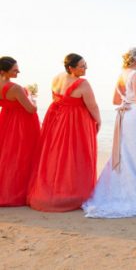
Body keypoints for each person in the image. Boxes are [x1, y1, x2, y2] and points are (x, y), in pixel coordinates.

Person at [82, 48, 136, 218]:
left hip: (125, 115)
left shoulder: (121, 75)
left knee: (125, 152)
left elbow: (115, 100)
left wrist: (128, 100)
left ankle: (119, 189)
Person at [28, 53, 101, 212]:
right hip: (74, 122)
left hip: (55, 119)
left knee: (54, 155)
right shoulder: (83, 84)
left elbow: (55, 98)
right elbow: (92, 106)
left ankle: (54, 189)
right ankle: (74, 192)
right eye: (82, 66)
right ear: (71, 68)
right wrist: (99, 121)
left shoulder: (57, 78)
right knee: (75, 156)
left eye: (85, 64)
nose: (86, 68)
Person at [0, 56, 40, 206]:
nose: (18, 72)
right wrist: (33, 97)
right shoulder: (15, 88)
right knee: (23, 157)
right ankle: (18, 192)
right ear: (4, 71)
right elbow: (30, 109)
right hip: (22, 124)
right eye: (15, 70)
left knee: (6, 156)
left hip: (5, 120)